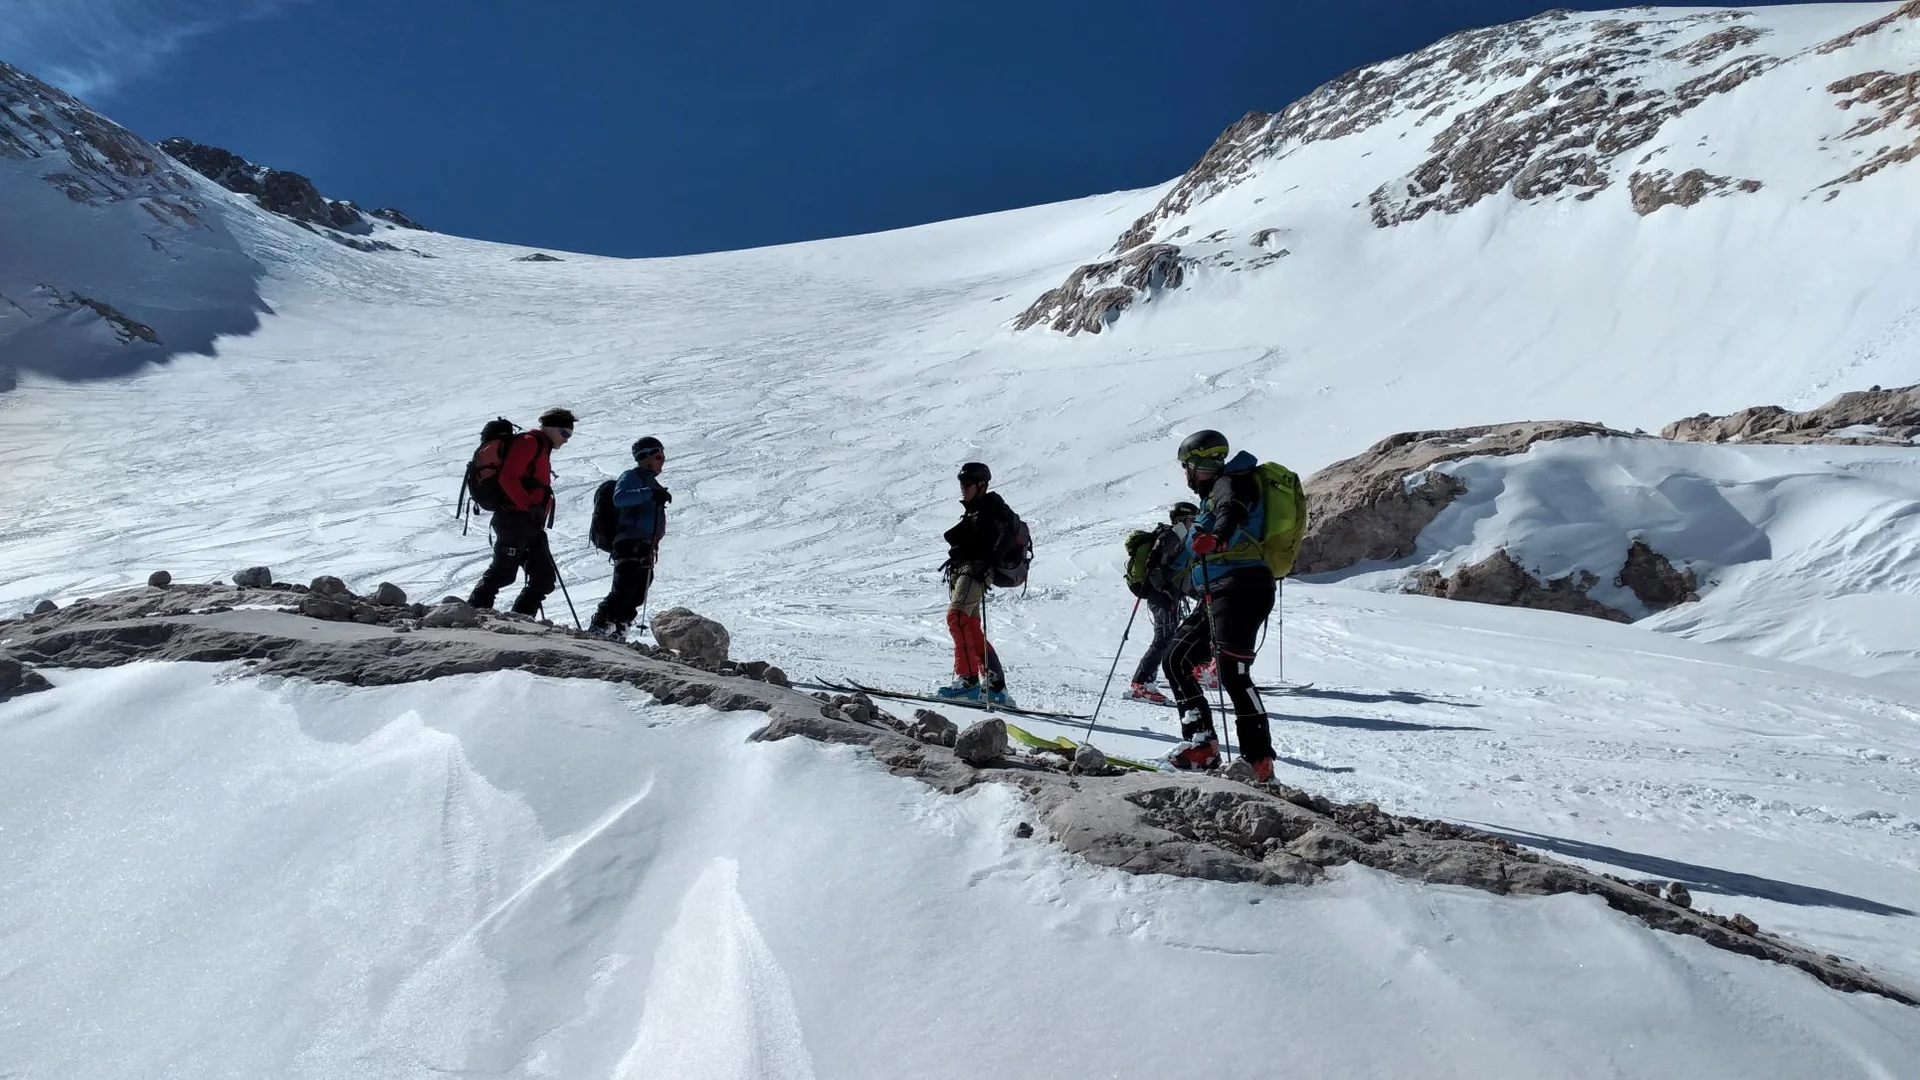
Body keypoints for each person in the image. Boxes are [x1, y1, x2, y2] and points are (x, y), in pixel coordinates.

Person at [1163, 429, 1279, 781]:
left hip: (1242, 588)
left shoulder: (1231, 483)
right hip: (1219, 591)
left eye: (1187, 466)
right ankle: (1202, 745)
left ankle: (1259, 762)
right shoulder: (1214, 492)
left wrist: (1217, 538)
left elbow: (1233, 511)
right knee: (1177, 659)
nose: (1186, 474)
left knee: (1233, 673)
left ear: (1199, 464)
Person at [468, 407, 574, 616]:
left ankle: (521, 620)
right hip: (514, 519)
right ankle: (472, 614)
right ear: (551, 428)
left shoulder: (540, 447)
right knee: (503, 573)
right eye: (565, 433)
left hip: (530, 522)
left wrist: (533, 512)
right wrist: (528, 505)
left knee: (543, 578)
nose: (566, 440)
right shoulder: (529, 443)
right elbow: (507, 477)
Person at [937, 461, 1016, 705]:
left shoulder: (992, 506)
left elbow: (1009, 531)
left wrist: (989, 561)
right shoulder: (974, 511)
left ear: (982, 485)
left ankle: (969, 682)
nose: (963, 487)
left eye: (968, 482)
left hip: (975, 571)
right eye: (961, 482)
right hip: (966, 570)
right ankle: (995, 687)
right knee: (969, 626)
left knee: (957, 617)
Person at [588, 436, 670, 640]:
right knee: (625, 585)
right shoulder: (632, 476)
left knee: (640, 588)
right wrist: (650, 493)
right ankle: (601, 624)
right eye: (658, 456)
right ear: (645, 457)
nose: (662, 461)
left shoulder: (652, 484)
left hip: (645, 544)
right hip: (629, 541)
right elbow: (620, 498)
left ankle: (620, 625)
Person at [1124, 502, 1198, 705]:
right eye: (1192, 519)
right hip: (1162, 595)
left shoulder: (1181, 537)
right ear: (1181, 519)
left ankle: (1146, 681)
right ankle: (1141, 684)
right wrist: (1164, 590)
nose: (1195, 523)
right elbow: (1154, 566)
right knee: (1164, 637)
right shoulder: (1171, 536)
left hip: (1169, 594)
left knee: (1169, 636)